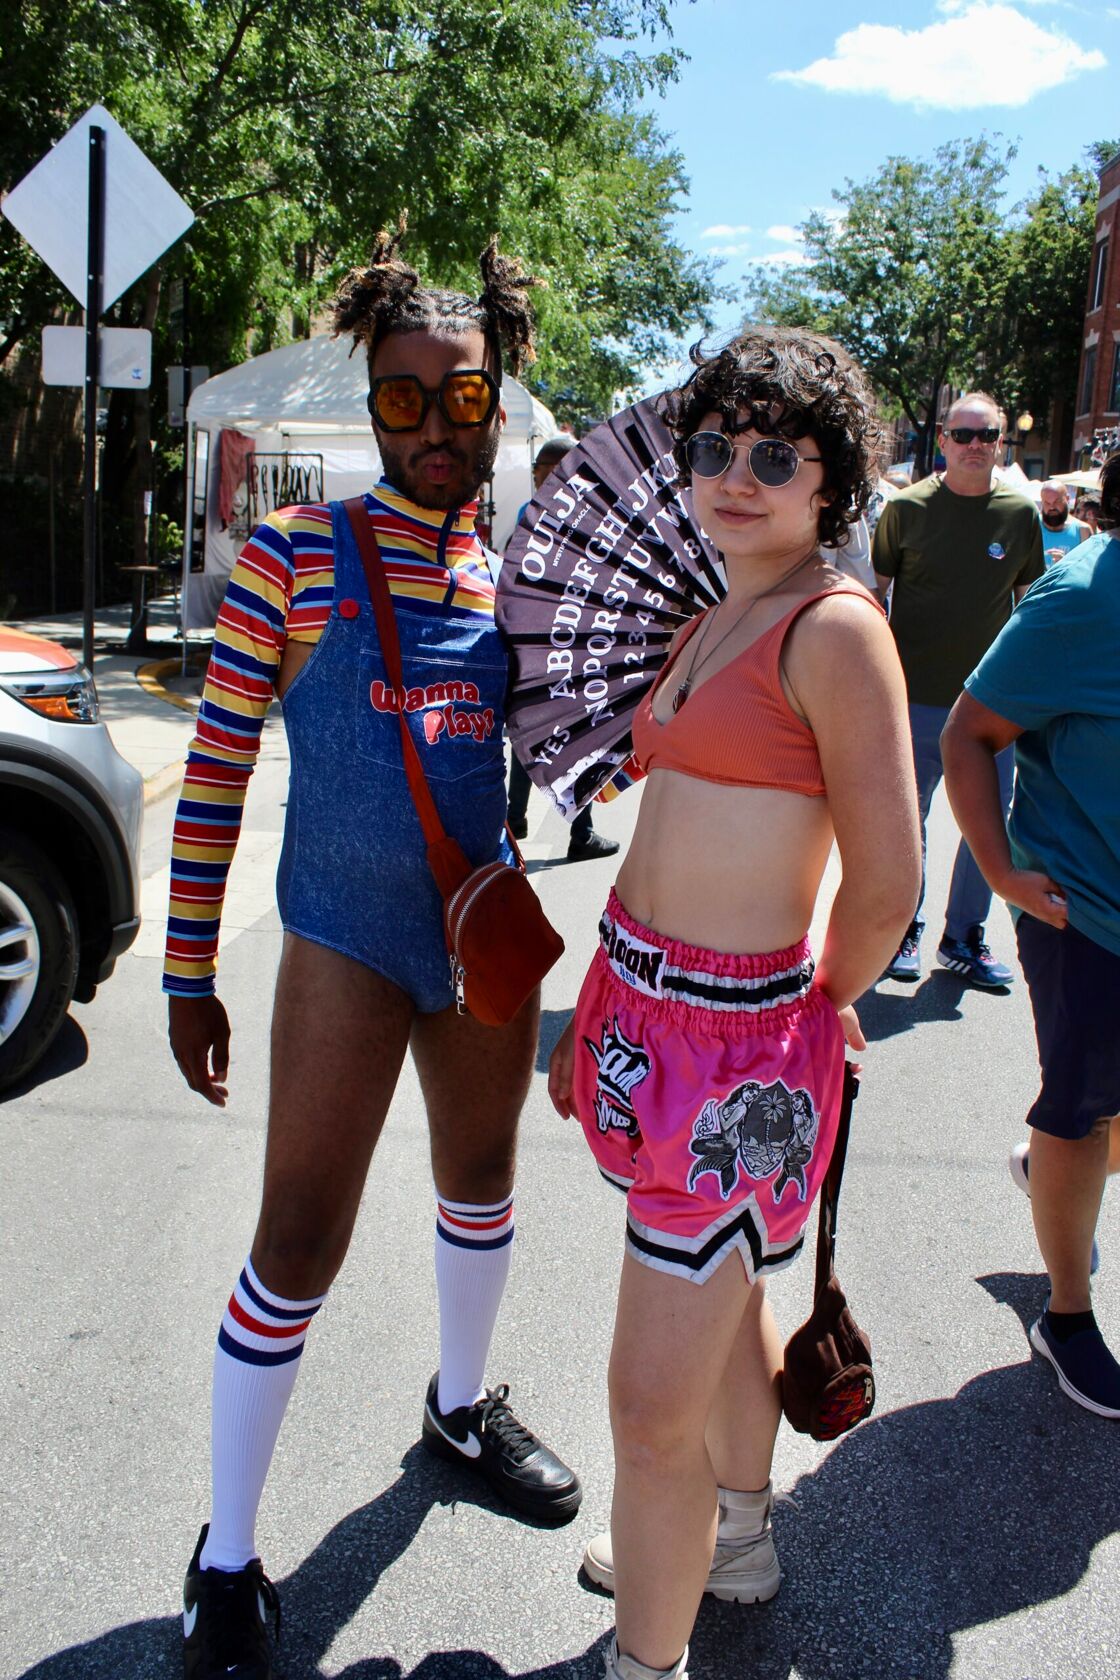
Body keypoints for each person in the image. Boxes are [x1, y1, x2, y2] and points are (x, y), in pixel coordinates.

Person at [165, 227, 581, 1680]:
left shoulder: (521, 584)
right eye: (402, 401)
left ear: (497, 401)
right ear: (370, 402)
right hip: (341, 940)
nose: (431, 429)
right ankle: (225, 1557)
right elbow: (214, 775)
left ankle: (459, 1413)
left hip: (479, 941)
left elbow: (574, 767)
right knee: (298, 1242)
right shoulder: (293, 556)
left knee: (483, 1181)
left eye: (460, 401)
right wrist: (184, 971)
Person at [548, 327, 920, 1680]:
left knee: (646, 1413)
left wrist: (804, 1017)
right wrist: (600, 1020)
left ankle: (645, 1663)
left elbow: (886, 882)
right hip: (644, 1013)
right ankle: (737, 1537)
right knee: (717, 1300)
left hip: (737, 1049)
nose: (736, 476)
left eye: (778, 454)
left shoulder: (835, 631)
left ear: (836, 483)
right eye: (715, 449)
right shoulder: (715, 612)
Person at [941, 448, 1120, 1419]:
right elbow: (964, 731)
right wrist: (1001, 870)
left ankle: (1057, 1162)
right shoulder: (1080, 598)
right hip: (1089, 914)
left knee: (1093, 1117)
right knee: (1082, 1109)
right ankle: (1067, 1315)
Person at [873, 392, 1045, 988]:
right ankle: (904, 928)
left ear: (1000, 441)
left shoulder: (1021, 515)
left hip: (990, 706)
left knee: (988, 827)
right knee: (906, 821)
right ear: (942, 440)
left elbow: (1029, 609)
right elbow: (874, 597)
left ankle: (964, 936)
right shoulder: (906, 509)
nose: (976, 445)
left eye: (987, 435)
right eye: (963, 434)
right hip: (912, 697)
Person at [505, 434, 620, 862]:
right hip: (570, 646)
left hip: (533, 643)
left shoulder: (528, 513)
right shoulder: (587, 518)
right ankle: (581, 833)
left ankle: (517, 816)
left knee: (531, 732)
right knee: (578, 736)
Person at [1038, 479, 1088, 568]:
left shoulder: (1082, 530)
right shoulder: (1033, 526)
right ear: (1042, 502)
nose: (1052, 507)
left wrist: (1065, 565)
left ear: (1067, 499)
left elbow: (1088, 569)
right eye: (1047, 503)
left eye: (1057, 501)